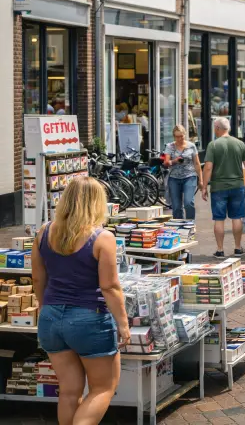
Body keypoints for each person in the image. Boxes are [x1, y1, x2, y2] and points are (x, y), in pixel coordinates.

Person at [32, 177, 130, 425]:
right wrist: (123, 323)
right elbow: (109, 286)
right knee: (103, 388)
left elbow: (37, 278)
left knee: (69, 390)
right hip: (89, 317)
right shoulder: (101, 237)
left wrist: (46, 307)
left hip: (51, 317)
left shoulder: (43, 232)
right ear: (97, 203)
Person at [202, 117, 245, 258]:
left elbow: (208, 168)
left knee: (219, 219)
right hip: (237, 186)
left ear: (218, 129)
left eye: (215, 128)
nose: (214, 130)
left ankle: (220, 250)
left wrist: (204, 186)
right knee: (237, 217)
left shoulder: (213, 145)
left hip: (218, 187)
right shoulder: (239, 144)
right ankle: (238, 248)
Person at [164, 125, 204, 219]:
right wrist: (174, 161)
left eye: (181, 136)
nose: (179, 139)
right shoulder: (170, 146)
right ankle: (179, 227)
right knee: (176, 207)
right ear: (174, 136)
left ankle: (189, 225)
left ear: (185, 135)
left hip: (189, 176)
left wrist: (201, 180)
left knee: (188, 202)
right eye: (177, 136)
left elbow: (197, 164)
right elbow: (166, 163)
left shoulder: (191, 146)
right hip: (174, 178)